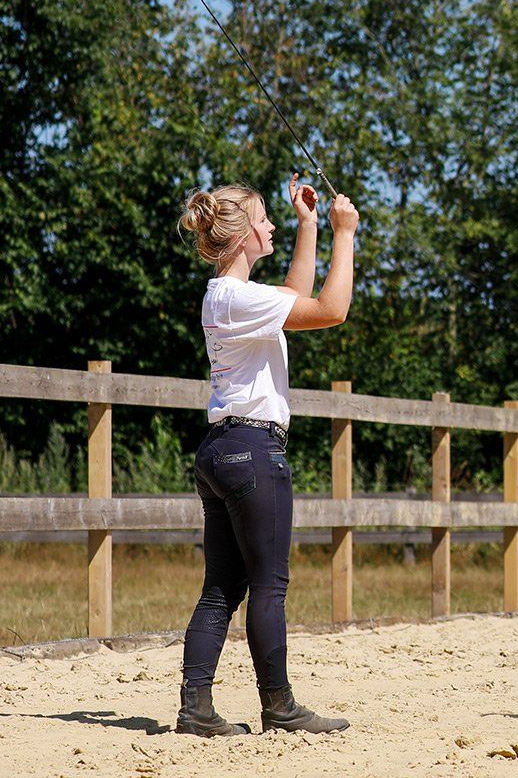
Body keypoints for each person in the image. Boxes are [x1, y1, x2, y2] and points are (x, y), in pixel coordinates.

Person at [173, 177, 358, 737]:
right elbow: (330, 310)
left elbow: (294, 298)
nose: (271, 224)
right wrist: (344, 234)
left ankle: (195, 707)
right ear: (244, 233)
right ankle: (278, 705)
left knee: (220, 589)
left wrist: (309, 227)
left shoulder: (231, 297)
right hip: (255, 451)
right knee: (269, 585)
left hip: (221, 449)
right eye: (266, 218)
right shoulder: (238, 297)